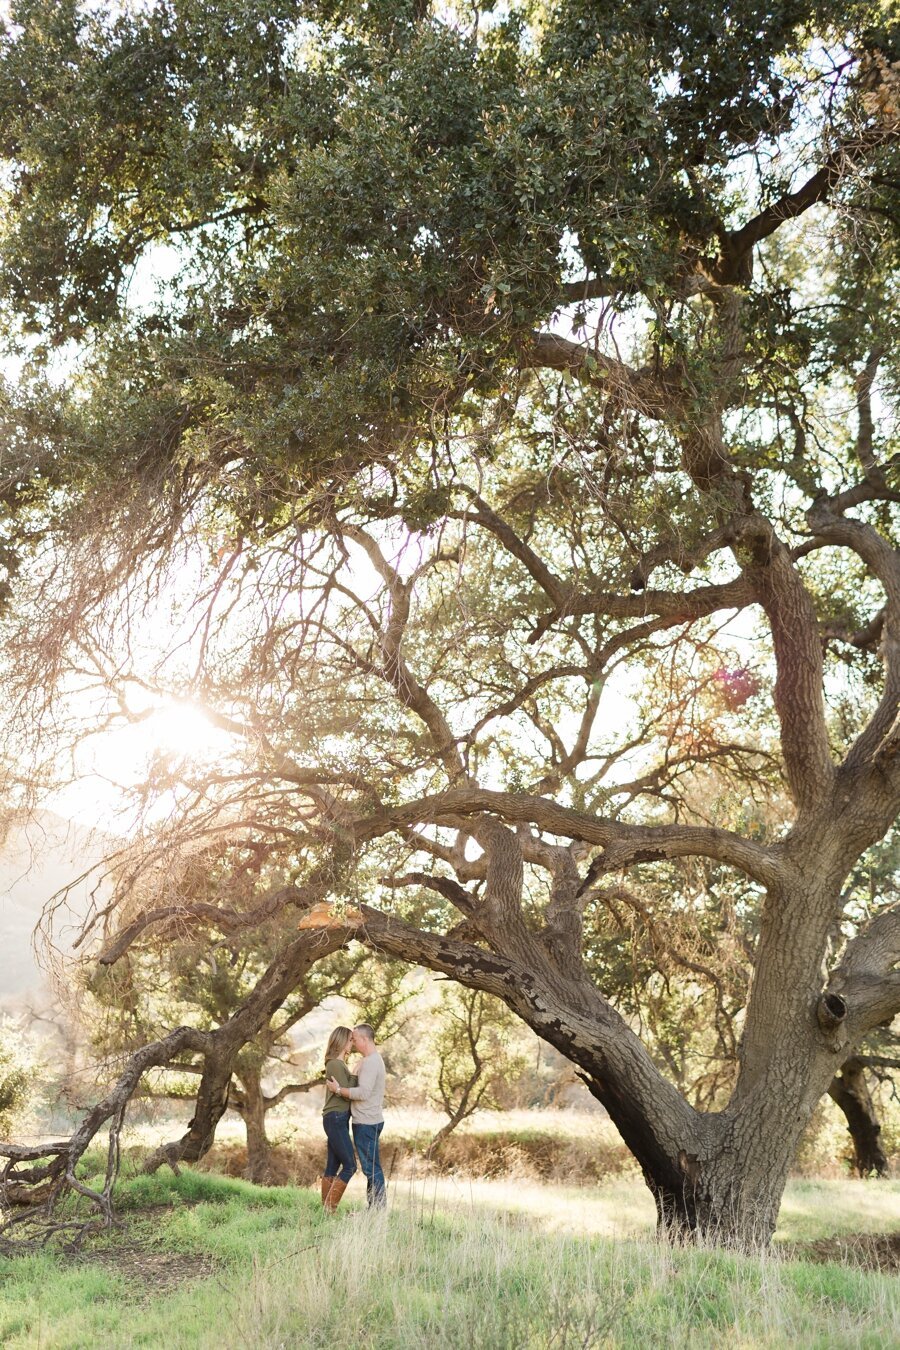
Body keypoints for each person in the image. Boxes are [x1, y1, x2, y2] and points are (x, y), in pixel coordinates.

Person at [326, 1023, 386, 1209]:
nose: (352, 1042)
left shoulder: (370, 1062)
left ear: (365, 1039)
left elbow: (363, 1093)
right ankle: (374, 1208)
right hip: (369, 1121)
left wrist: (338, 1090)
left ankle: (377, 1210)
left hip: (366, 1123)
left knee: (371, 1169)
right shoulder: (371, 1060)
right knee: (371, 1168)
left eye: (355, 1039)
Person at [321, 1025, 358, 1213]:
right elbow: (346, 1093)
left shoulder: (339, 1064)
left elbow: (344, 1088)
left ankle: (326, 1211)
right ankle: (330, 1207)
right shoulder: (334, 1064)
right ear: (342, 1041)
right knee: (350, 1165)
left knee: (333, 1165)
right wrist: (359, 1077)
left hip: (337, 1118)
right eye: (351, 1039)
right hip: (335, 1117)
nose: (353, 1043)